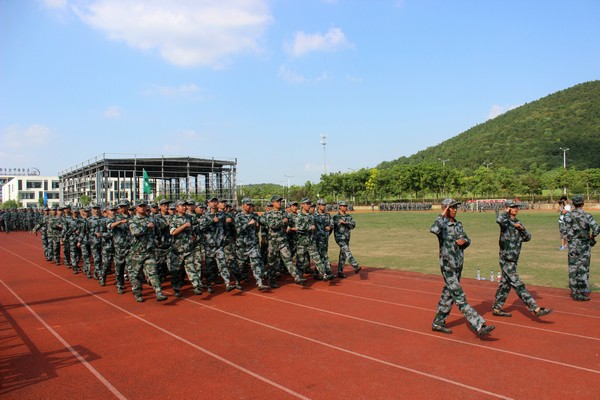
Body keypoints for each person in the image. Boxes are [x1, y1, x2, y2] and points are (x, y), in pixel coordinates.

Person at [430, 198, 494, 337]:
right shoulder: (442, 225)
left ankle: (437, 323)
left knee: (449, 295)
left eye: (455, 207)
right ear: (446, 208)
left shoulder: (458, 224)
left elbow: (468, 240)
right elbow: (433, 229)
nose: (455, 210)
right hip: (448, 266)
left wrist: (464, 241)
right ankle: (479, 325)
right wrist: (443, 213)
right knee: (459, 296)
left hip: (458, 264)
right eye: (452, 208)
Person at [492, 201, 553, 318]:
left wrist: (522, 229)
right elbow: (499, 220)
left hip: (514, 258)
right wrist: (505, 211)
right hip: (506, 259)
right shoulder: (505, 222)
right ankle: (535, 308)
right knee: (518, 284)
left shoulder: (518, 223)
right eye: (513, 207)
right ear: (508, 208)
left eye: (516, 207)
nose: (516, 209)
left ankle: (497, 308)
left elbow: (528, 237)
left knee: (505, 285)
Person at [560, 194, 600, 301]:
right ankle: (581, 292)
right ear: (583, 203)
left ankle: (574, 291)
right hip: (584, 245)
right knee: (583, 268)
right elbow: (597, 228)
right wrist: (592, 236)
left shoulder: (567, 216)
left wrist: (570, 238)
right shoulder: (587, 216)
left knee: (573, 267)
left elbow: (562, 230)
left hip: (572, 245)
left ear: (573, 204)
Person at [128, 200, 168, 302]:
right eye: (140, 206)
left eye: (144, 206)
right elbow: (135, 232)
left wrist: (159, 240)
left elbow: (157, 231)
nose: (142, 208)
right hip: (137, 252)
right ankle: (138, 293)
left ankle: (159, 292)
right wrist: (146, 226)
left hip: (149, 251)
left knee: (153, 272)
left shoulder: (151, 219)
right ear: (136, 208)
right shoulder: (133, 220)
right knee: (136, 275)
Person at [332, 201, 360, 278]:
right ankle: (355, 265)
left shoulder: (349, 217)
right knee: (346, 250)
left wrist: (345, 223)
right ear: (340, 207)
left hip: (346, 238)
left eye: (345, 206)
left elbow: (353, 225)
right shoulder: (335, 217)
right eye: (343, 206)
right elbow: (331, 226)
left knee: (343, 254)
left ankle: (340, 272)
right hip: (339, 238)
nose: (345, 207)